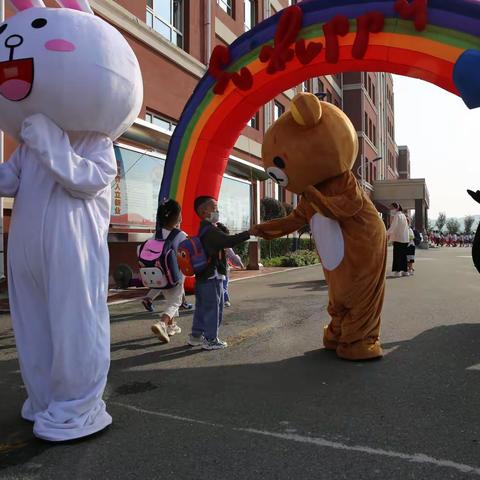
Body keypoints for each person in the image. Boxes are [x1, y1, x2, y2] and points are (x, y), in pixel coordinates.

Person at [188, 196, 252, 350]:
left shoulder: (204, 229)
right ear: (204, 211)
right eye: (214, 208)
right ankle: (210, 339)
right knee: (214, 308)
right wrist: (249, 233)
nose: (217, 211)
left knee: (202, 308)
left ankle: (196, 336)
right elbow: (228, 241)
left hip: (203, 276)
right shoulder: (210, 231)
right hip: (213, 275)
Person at [149, 199, 188, 343]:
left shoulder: (156, 234)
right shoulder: (181, 235)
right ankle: (162, 323)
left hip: (160, 274)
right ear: (178, 217)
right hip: (175, 275)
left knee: (169, 300)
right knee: (175, 302)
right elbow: (186, 255)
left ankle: (171, 326)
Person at [216, 222, 245, 307]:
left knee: (219, 286)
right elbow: (232, 257)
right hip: (224, 268)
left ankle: (221, 300)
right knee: (224, 285)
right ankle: (225, 300)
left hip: (215, 268)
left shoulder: (211, 242)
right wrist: (240, 264)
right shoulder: (226, 244)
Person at [387, 203, 410, 277]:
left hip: (398, 239)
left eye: (392, 208)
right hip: (405, 239)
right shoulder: (403, 215)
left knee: (397, 256)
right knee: (403, 256)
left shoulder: (397, 216)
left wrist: (385, 233)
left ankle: (398, 271)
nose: (391, 210)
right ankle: (405, 271)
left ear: (396, 208)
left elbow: (393, 227)